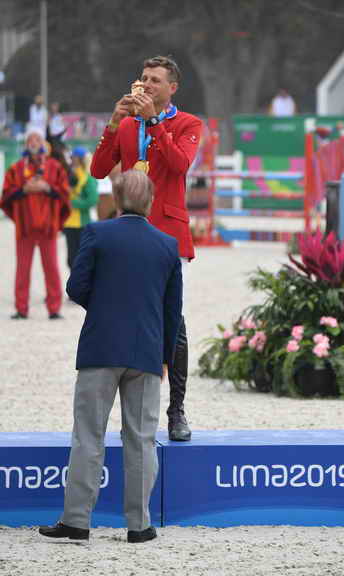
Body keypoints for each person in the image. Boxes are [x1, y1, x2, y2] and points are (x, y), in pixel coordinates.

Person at [39, 169, 182, 543]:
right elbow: (173, 311)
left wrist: (102, 308)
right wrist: (166, 357)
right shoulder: (168, 245)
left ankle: (77, 521)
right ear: (151, 201)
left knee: (88, 435)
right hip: (147, 350)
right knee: (141, 438)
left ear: (116, 200)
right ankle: (139, 525)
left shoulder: (97, 234)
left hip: (101, 346)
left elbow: (75, 286)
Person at [90, 55, 202, 442]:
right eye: (143, 78)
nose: (147, 85)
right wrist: (112, 122)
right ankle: (133, 414)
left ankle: (177, 409)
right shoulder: (126, 124)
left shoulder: (187, 123)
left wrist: (154, 121)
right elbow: (98, 170)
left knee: (173, 321)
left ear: (173, 88)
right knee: (127, 317)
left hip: (167, 234)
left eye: (155, 80)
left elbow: (179, 164)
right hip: (128, 231)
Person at [0, 127, 70, 319]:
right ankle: (21, 309)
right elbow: (6, 195)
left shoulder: (55, 167)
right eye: (30, 139)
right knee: (22, 269)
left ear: (43, 144)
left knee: (52, 268)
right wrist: (24, 189)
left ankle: (54, 308)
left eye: (37, 139)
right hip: (24, 227)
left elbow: (64, 194)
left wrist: (47, 188)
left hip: (48, 227)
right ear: (25, 144)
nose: (34, 142)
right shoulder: (16, 168)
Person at [63, 147, 98, 269]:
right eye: (72, 158)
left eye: (75, 158)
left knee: (81, 259)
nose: (73, 160)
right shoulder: (67, 175)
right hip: (69, 224)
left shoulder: (88, 178)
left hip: (83, 223)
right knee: (71, 260)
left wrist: (73, 203)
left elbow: (93, 199)